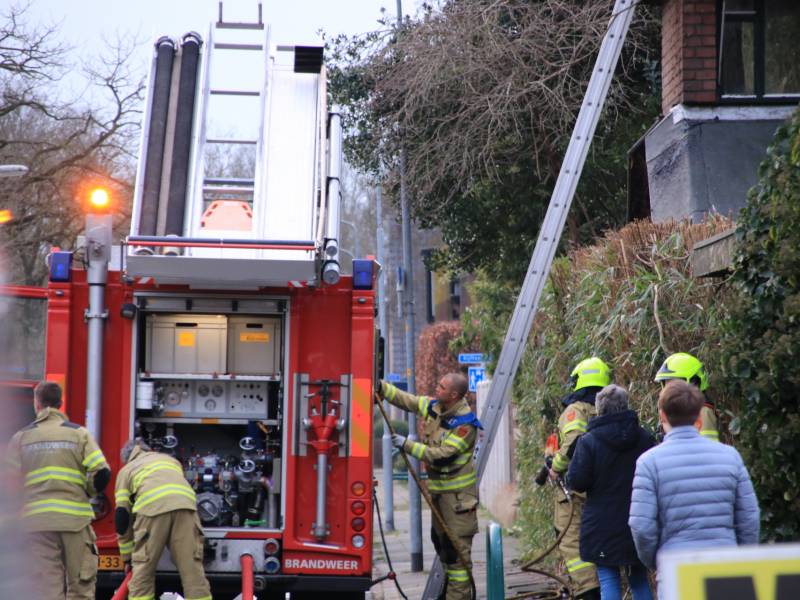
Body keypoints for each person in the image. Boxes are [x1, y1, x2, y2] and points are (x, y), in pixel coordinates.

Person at [628, 380, 760, 575]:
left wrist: (659, 562)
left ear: (662, 415)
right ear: (698, 414)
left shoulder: (649, 463)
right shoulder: (730, 456)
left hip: (677, 570)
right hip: (725, 566)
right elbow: (749, 517)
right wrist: (739, 558)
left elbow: (641, 527)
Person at [377, 373, 481, 600]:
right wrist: (381, 388)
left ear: (453, 395)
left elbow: (441, 456)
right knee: (442, 547)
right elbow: (410, 401)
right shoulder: (437, 407)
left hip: (458, 504)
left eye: (441, 386)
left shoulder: (464, 426)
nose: (436, 388)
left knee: (457, 559)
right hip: (441, 497)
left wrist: (408, 445)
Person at [6, 381, 111, 600]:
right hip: (75, 521)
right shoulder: (79, 434)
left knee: (46, 588)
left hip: (37, 524)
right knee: (80, 586)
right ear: (60, 403)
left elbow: (7, 481)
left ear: (37, 404)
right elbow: (102, 472)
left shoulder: (22, 437)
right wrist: (87, 492)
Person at [567, 384, 655, 600]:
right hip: (638, 520)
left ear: (599, 409)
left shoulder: (589, 442)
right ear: (625, 406)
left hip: (601, 525)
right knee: (639, 578)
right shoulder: (645, 438)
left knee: (608, 579)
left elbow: (577, 481)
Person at [115, 438, 211, 600]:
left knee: (143, 571)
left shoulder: (127, 470)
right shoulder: (171, 461)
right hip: (185, 507)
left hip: (152, 510)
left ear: (127, 457)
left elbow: (122, 516)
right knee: (192, 571)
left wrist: (127, 557)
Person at [547, 357, 610, 600]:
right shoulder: (608, 408)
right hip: (599, 489)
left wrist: (555, 466)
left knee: (571, 543)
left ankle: (587, 590)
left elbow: (573, 439)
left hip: (572, 491)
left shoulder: (575, 410)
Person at [653, 352, 719, 441]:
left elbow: (708, 448)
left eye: (674, 383)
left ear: (694, 382)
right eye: (667, 383)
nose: (670, 389)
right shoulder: (671, 410)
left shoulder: (703, 411)